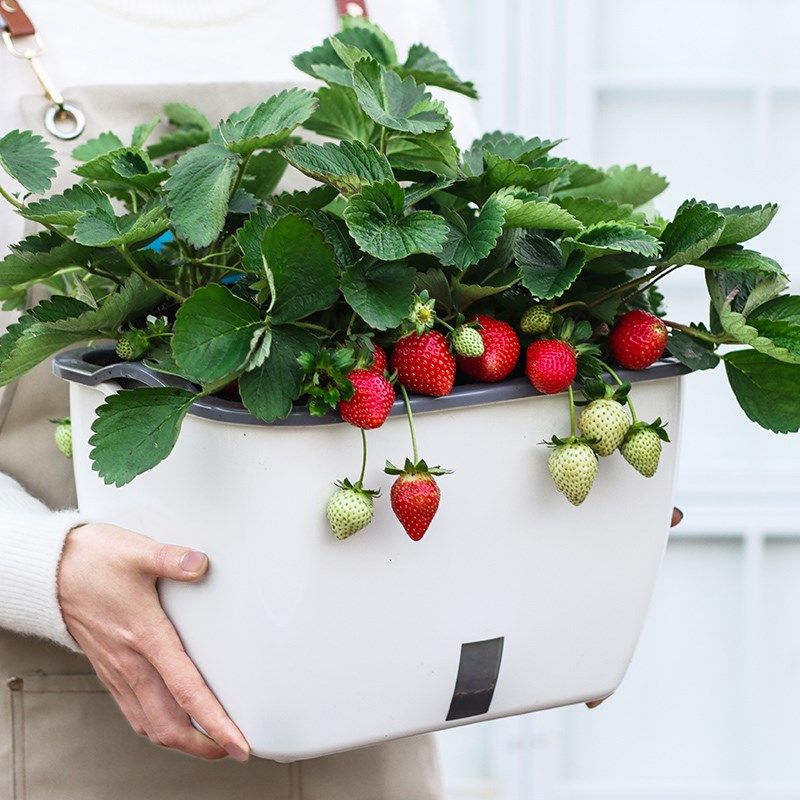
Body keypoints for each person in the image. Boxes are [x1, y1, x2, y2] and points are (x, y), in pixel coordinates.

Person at [0, 2, 476, 798]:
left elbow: (451, 331)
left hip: (366, 704)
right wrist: (46, 571)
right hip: (77, 708)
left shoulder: (386, 14)